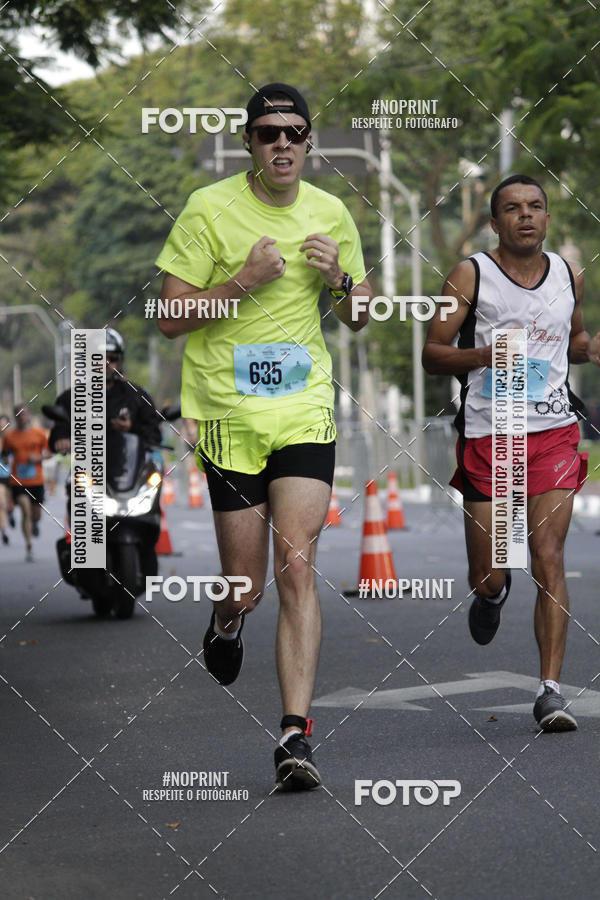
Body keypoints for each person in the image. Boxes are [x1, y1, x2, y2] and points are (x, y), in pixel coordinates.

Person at [156, 83, 372, 789]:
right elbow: (169, 316)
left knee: (298, 567)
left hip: (305, 411)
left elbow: (361, 314)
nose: (283, 143)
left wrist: (338, 279)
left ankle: (294, 736)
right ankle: (225, 621)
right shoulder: (207, 209)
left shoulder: (332, 212)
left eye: (295, 132)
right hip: (227, 416)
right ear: (250, 142)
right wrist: (245, 280)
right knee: (246, 586)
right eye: (269, 132)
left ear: (309, 143)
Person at [422, 173, 600, 733]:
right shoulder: (471, 274)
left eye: (536, 206)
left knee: (548, 553)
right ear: (494, 222)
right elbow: (433, 353)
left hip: (553, 432)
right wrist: (486, 356)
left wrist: (589, 349)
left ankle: (550, 691)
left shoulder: (569, 274)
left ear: (548, 218)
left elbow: (573, 339)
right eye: (513, 208)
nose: (526, 215)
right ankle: (493, 592)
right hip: (490, 435)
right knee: (492, 571)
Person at [49, 328, 162, 454]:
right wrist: (61, 438)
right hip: (87, 469)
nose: (106, 363)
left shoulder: (137, 396)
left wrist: (131, 428)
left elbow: (154, 435)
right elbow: (58, 430)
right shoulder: (71, 398)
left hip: (130, 468)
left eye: (112, 358)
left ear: (120, 361)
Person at [2, 405, 50, 561]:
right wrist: (5, 459)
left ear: (29, 416)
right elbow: (5, 452)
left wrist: (39, 458)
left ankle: (35, 524)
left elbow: (50, 452)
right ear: (15, 417)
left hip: (37, 481)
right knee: (25, 510)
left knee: (36, 515)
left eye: (24, 414)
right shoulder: (10, 436)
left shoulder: (39, 433)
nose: (22, 417)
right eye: (18, 415)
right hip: (18, 481)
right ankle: (29, 546)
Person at [0, 412, 13, 545]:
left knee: (11, 504)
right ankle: (4, 531)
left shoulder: (14, 438)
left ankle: (11, 513)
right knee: (1, 504)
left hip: (15, 476)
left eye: (4, 424)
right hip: (1, 477)